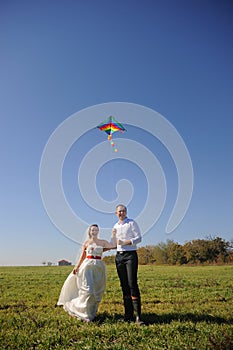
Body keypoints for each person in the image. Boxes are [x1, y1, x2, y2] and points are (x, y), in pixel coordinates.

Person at [57, 224, 116, 322]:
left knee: (97, 291)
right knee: (88, 290)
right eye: (92, 230)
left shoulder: (102, 242)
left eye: (96, 230)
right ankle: (84, 314)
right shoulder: (87, 243)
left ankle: (92, 312)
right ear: (90, 231)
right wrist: (77, 266)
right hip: (87, 266)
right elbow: (83, 256)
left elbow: (113, 246)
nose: (94, 232)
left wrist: (114, 235)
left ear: (98, 231)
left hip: (98, 267)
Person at [112, 204, 144, 325]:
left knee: (132, 284)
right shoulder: (115, 226)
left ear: (126, 212)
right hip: (119, 256)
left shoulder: (131, 223)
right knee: (124, 285)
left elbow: (139, 238)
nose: (121, 213)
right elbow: (114, 243)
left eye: (123, 211)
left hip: (130, 255)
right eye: (119, 211)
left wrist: (126, 242)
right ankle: (128, 315)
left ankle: (138, 317)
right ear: (116, 213)